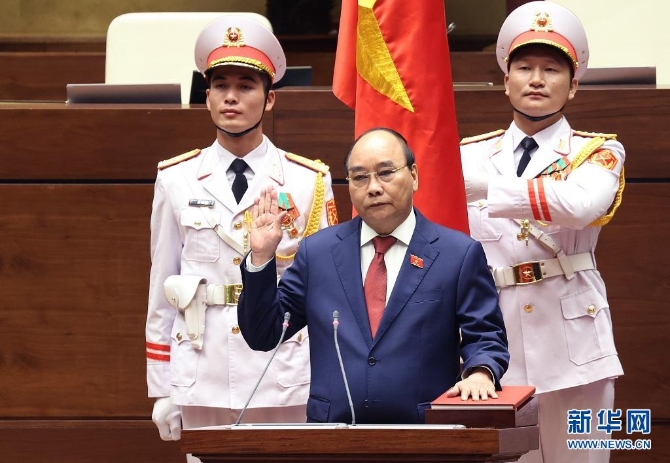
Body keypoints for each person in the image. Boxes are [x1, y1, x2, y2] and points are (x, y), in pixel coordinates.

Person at [145, 14, 338, 450]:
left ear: (269, 100)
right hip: (202, 366)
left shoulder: (307, 180)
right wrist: (162, 385)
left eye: (246, 86)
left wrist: (328, 378)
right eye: (220, 86)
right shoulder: (176, 179)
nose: (230, 97)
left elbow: (325, 289)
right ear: (207, 97)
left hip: (281, 368)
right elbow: (162, 285)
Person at [237, 127, 509, 424]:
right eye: (360, 177)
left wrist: (480, 372)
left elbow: (485, 335)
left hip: (425, 432)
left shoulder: (457, 253)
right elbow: (264, 333)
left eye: (386, 173)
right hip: (333, 432)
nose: (374, 187)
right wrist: (261, 258)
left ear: (414, 176)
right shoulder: (318, 253)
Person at [460, 2, 625, 462]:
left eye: (551, 70)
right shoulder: (468, 154)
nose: (536, 79)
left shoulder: (599, 151)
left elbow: (580, 205)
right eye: (524, 68)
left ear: (573, 86)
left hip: (577, 345)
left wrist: (487, 188)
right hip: (494, 341)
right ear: (505, 80)